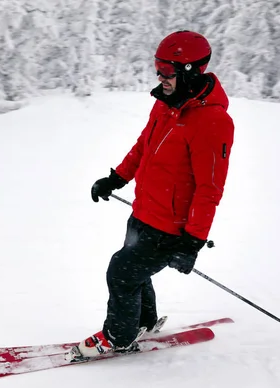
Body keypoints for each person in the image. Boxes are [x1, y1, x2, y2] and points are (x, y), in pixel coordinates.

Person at [76, 30, 235, 358]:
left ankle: (117, 337)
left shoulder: (212, 121)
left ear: (190, 72)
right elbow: (143, 146)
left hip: (171, 228)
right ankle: (142, 322)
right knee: (135, 272)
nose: (159, 76)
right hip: (145, 210)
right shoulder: (167, 105)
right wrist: (116, 178)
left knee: (121, 271)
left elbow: (210, 188)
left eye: (166, 71)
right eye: (157, 68)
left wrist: (192, 240)